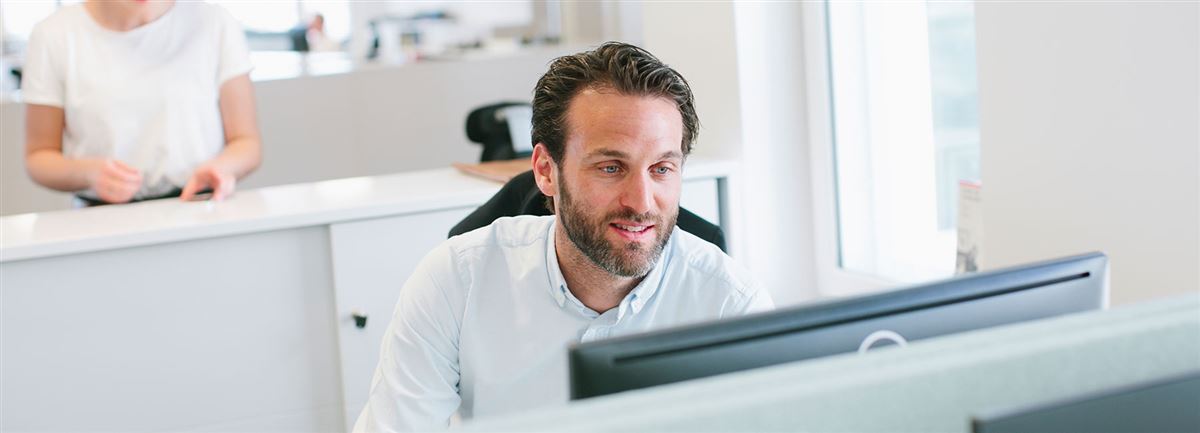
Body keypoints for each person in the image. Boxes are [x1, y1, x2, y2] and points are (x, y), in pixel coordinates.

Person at [353, 42, 774, 432]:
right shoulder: (456, 281)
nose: (642, 201)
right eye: (611, 167)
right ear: (545, 171)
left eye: (662, 168)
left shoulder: (732, 306)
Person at [22, 0, 261, 205]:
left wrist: (221, 169)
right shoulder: (54, 35)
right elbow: (39, 156)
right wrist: (87, 174)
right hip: (100, 220)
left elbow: (246, 142)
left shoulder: (214, 22)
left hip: (199, 206)